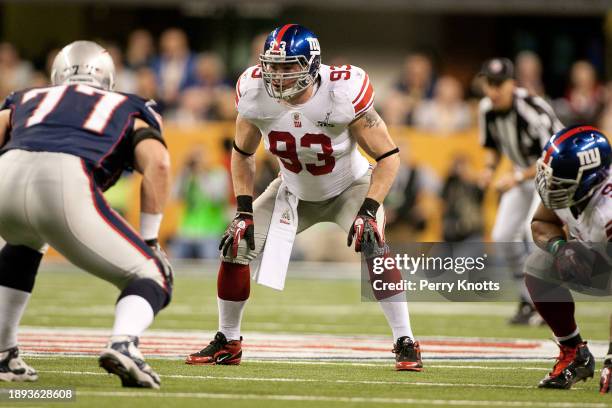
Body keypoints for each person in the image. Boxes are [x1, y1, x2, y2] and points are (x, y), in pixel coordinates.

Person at [185, 24, 421, 371]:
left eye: (288, 66)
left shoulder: (342, 91)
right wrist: (244, 211)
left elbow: (388, 157)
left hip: (349, 187)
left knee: (376, 246)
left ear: (311, 64)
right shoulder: (253, 92)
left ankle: (405, 340)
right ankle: (228, 340)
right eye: (273, 66)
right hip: (292, 190)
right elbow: (242, 153)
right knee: (236, 245)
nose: (277, 76)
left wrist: (369, 210)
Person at [0, 41, 173, 389]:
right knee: (153, 275)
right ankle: (124, 343)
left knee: (23, 242)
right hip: (64, 177)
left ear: (57, 74)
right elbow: (158, 163)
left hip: (6, 171)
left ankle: (3, 353)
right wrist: (151, 238)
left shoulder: (26, 98)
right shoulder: (130, 105)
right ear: (108, 77)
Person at [525, 125, 611, 393]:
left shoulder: (607, 213)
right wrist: (560, 248)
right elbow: (540, 222)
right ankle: (574, 352)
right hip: (602, 260)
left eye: (559, 182)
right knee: (538, 266)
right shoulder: (572, 188)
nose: (550, 187)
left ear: (590, 179)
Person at [478, 57, 564, 325]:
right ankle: (529, 300)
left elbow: (551, 156)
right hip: (522, 175)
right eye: (488, 84)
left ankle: (550, 299)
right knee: (503, 235)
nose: (493, 91)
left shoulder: (532, 109)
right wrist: (490, 169)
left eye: (498, 84)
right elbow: (492, 145)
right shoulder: (486, 109)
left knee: (534, 229)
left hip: (554, 174)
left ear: (512, 84)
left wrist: (515, 177)